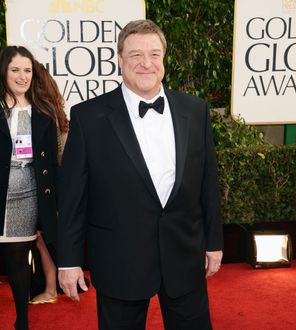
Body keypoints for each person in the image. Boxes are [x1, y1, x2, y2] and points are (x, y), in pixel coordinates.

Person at [57, 19, 223, 330]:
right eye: (135, 55)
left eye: (154, 54)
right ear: (119, 59)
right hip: (119, 260)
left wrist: (213, 242)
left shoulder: (195, 110)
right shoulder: (88, 117)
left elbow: (207, 183)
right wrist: (68, 260)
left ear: (164, 58)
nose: (146, 63)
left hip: (184, 256)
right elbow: (72, 198)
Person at [0, 46, 67, 329]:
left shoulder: (42, 112)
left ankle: (22, 321)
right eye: (15, 69)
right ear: (3, 71)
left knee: (18, 259)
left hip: (27, 194)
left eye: (27, 70)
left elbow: (53, 162)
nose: (22, 76)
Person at [28, 61, 68, 305]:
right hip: (57, 182)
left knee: (41, 238)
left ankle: (51, 287)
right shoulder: (52, 107)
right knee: (42, 237)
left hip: (50, 183)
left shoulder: (41, 111)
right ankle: (52, 285)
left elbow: (55, 153)